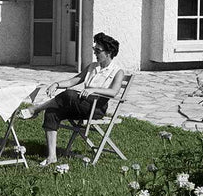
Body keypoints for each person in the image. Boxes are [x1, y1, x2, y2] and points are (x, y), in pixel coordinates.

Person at [20, 32, 125, 165]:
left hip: (96, 108)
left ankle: (36, 108)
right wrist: (56, 84)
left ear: (109, 52)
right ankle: (52, 156)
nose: (95, 53)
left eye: (98, 51)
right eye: (94, 50)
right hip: (81, 105)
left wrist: (93, 90)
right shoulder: (92, 67)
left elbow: (114, 92)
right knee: (52, 112)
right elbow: (73, 81)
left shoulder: (117, 71)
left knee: (69, 94)